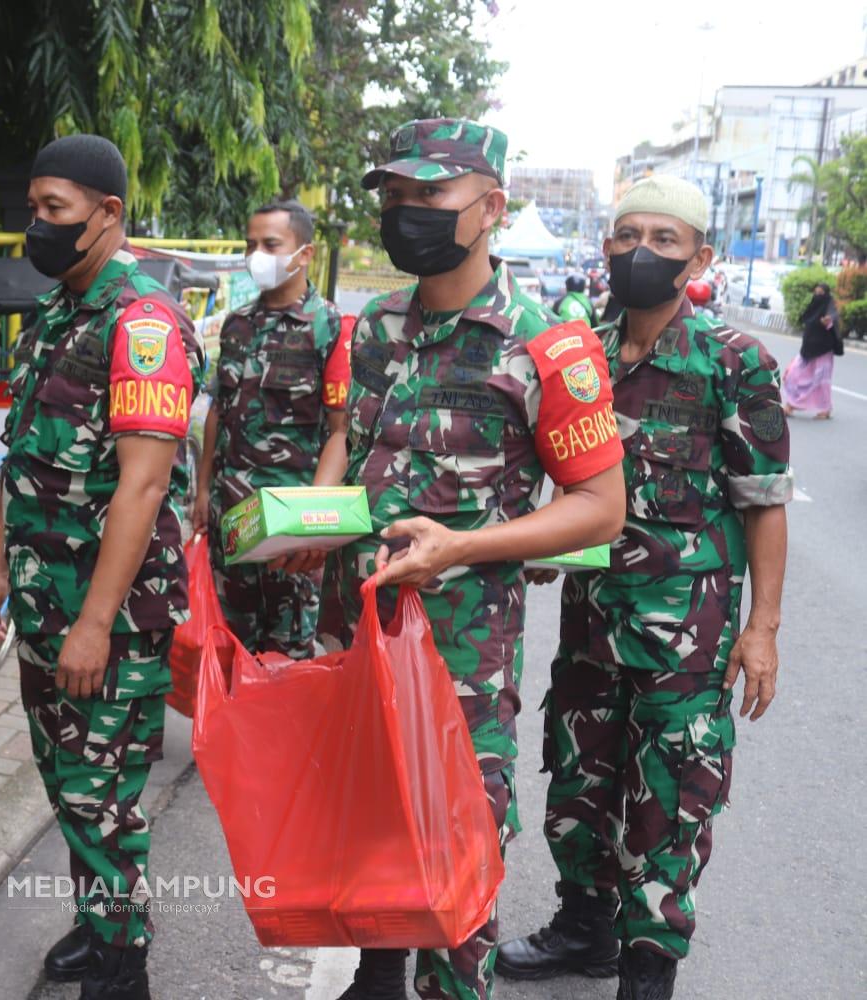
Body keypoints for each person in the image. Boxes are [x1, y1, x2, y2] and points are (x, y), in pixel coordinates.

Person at [295, 118, 627, 1000]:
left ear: (491, 210)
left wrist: (467, 545)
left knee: (455, 844)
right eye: (394, 197)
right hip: (360, 630)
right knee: (365, 817)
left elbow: (601, 508)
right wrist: (310, 528)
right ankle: (374, 974)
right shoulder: (374, 326)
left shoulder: (547, 342)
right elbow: (364, 455)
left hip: (460, 658)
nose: (406, 214)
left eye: (429, 196)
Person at [497, 175, 792, 1000]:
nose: (642, 252)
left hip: (684, 640)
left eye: (665, 240)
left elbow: (764, 506)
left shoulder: (733, 362)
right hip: (590, 624)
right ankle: (583, 929)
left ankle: (647, 966)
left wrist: (761, 628)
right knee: (580, 777)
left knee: (668, 796)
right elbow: (569, 484)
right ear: (605, 246)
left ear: (700, 257)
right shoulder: (580, 354)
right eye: (628, 235)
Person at [0, 134, 203, 1000]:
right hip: (40, 598)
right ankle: (94, 923)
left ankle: (123, 964)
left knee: (103, 792)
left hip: (111, 615)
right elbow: (21, 461)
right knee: (67, 779)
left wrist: (97, 624)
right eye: (32, 210)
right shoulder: (61, 314)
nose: (37, 226)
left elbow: (142, 486)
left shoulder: (143, 323)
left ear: (108, 214)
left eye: (53, 211)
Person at [192, 198, 346, 657]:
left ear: (305, 253)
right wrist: (202, 492)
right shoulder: (237, 325)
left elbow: (342, 429)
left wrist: (313, 525)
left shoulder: (331, 328)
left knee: (286, 661)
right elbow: (218, 410)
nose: (256, 254)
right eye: (251, 244)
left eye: (270, 244)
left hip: (289, 529)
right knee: (229, 653)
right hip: (232, 518)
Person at [780, 282, 841, 419]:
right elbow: (805, 320)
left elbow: (833, 320)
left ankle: (824, 410)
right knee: (793, 375)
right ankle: (791, 404)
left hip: (823, 351)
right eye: (816, 293)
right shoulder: (812, 308)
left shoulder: (830, 307)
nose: (818, 296)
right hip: (807, 350)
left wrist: (828, 321)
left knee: (821, 381)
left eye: (821, 294)